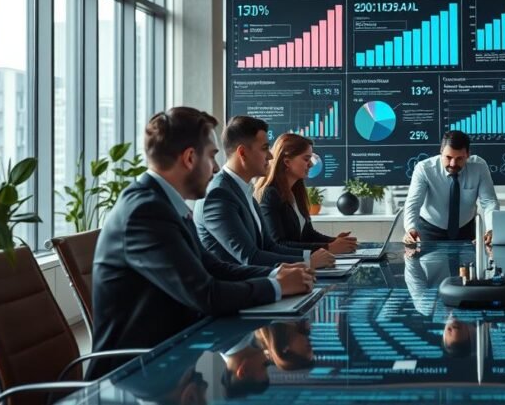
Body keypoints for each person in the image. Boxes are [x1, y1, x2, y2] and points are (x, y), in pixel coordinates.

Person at [89, 107, 314, 379]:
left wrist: (275, 273)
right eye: (211, 156)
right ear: (189, 158)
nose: (217, 167)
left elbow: (214, 266)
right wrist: (276, 286)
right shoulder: (145, 212)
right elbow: (205, 294)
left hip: (167, 361)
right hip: (132, 377)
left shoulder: (164, 204)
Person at [195, 115, 334, 269]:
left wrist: (309, 257)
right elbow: (249, 257)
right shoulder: (218, 195)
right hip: (237, 288)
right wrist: (307, 262)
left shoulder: (245, 192)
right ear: (242, 153)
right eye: (264, 148)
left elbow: (270, 247)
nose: (271, 155)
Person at [255, 133, 358, 253]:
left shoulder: (295, 192)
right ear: (287, 162)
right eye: (306, 159)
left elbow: (308, 235)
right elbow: (278, 244)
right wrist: (329, 248)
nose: (311, 164)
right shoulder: (270, 194)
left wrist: (335, 241)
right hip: (286, 268)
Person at [401, 130, 500, 243]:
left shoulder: (479, 167)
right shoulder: (424, 169)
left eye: (459, 159)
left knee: (469, 260)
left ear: (468, 155)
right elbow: (413, 203)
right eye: (448, 157)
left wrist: (492, 229)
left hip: (466, 229)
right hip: (430, 229)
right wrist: (411, 228)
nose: (453, 164)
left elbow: (489, 202)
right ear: (441, 151)